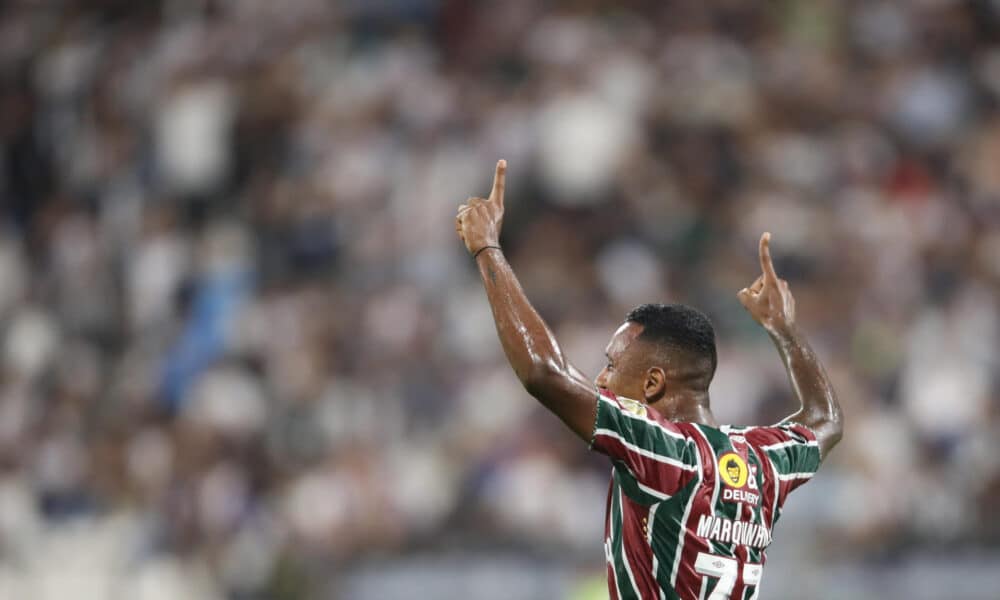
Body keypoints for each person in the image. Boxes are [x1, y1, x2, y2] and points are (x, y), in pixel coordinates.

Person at [455, 160, 844, 600]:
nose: (601, 378)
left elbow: (545, 372)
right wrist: (786, 332)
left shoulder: (665, 451)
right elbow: (825, 419)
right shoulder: (760, 461)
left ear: (653, 383)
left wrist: (488, 250)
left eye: (613, 364)